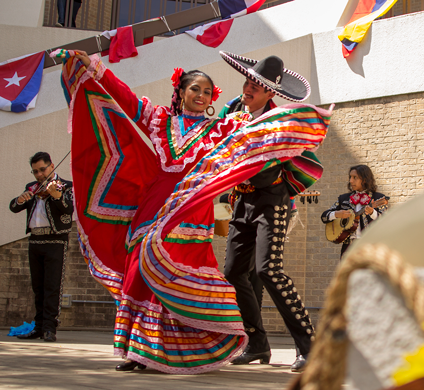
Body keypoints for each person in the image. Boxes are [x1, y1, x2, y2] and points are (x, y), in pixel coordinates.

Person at [51, 48, 330, 374]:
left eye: (207, 91)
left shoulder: (235, 126)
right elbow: (125, 99)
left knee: (239, 272)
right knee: (158, 271)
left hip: (225, 207)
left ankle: (303, 346)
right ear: (180, 92)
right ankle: (148, 350)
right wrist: (95, 69)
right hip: (169, 205)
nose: (201, 95)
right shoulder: (175, 118)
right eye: (195, 89)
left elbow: (270, 145)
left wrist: (290, 127)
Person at [219, 51, 317, 372]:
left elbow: (290, 166)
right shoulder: (233, 110)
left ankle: (309, 346)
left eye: (255, 87)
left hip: (272, 201)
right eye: (247, 82)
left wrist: (249, 159)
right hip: (243, 202)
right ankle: (257, 344)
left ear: (271, 93)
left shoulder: (280, 122)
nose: (247, 90)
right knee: (233, 271)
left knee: (268, 270)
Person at [9, 152, 74, 343]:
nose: (39, 175)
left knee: (52, 286)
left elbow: (69, 209)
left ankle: (49, 329)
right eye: (35, 171)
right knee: (38, 287)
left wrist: (56, 196)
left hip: (55, 240)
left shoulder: (65, 186)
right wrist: (20, 199)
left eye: (42, 170)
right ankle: (38, 327)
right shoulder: (32, 188)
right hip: (35, 240)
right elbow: (13, 207)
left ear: (52, 166)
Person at [321, 165, 388, 257]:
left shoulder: (378, 198)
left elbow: (387, 222)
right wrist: (336, 214)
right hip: (348, 249)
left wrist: (373, 213)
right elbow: (324, 216)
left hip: (371, 247)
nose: (351, 181)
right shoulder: (344, 199)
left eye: (355, 177)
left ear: (365, 179)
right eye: (350, 177)